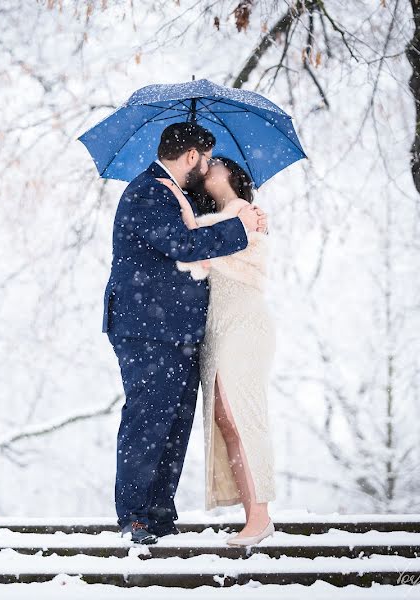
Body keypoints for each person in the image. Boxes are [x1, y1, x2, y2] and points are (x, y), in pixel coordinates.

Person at [102, 122, 267, 545]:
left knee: (174, 424)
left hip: (178, 331)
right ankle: (136, 516)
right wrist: (240, 229)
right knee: (148, 419)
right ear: (192, 156)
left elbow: (201, 224)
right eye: (207, 158)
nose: (210, 165)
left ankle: (158, 515)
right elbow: (181, 244)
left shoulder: (176, 195)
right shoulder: (147, 192)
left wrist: (241, 209)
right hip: (147, 329)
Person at [158, 155, 276, 547]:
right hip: (216, 327)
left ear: (235, 175)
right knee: (225, 418)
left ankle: (260, 515)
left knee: (242, 411)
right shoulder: (222, 220)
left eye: (217, 162)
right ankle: (253, 513)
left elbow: (195, 245)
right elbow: (193, 252)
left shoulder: (245, 213)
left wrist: (179, 204)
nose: (209, 165)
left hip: (243, 320)